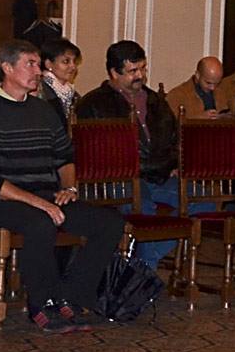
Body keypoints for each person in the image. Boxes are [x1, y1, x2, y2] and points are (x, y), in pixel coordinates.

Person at [0, 39, 123, 332]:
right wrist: (37, 202)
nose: (38, 71)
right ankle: (43, 304)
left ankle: (73, 295)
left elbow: (65, 158)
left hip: (46, 197)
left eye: (39, 65)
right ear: (7, 67)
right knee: (40, 222)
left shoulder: (44, 111)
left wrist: (69, 189)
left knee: (108, 222)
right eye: (30, 64)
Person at [75, 40, 183, 232]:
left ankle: (145, 259)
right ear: (114, 73)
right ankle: (143, 259)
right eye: (133, 71)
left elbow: (176, 140)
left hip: (161, 175)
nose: (140, 75)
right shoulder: (92, 105)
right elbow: (96, 154)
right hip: (117, 181)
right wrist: (150, 167)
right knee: (141, 208)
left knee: (201, 200)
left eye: (143, 68)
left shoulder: (156, 101)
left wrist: (173, 164)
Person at [39, 39, 82, 126]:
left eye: (74, 62)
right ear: (48, 64)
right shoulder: (39, 91)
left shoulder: (73, 95)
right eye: (66, 61)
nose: (73, 67)